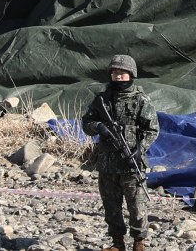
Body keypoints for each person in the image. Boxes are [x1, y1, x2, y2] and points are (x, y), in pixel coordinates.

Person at [82, 55, 160, 251]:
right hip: (107, 163)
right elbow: (86, 123)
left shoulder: (140, 100)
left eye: (123, 73)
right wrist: (98, 127)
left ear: (131, 75)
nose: (118, 77)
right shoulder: (102, 99)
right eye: (115, 73)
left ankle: (139, 242)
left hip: (131, 162)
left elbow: (152, 129)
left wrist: (140, 149)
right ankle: (117, 243)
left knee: (137, 205)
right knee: (111, 205)